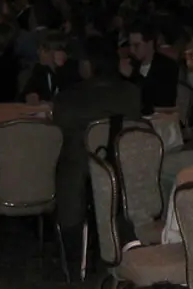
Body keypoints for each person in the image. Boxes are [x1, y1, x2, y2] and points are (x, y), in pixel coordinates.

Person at [50, 36, 142, 258]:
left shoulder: (69, 99)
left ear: (89, 64)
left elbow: (57, 131)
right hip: (122, 166)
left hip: (80, 173)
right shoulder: (131, 93)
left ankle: (70, 241)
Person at [122, 20, 179, 114]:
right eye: (130, 45)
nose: (132, 50)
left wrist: (133, 77)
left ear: (150, 43)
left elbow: (161, 102)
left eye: (136, 45)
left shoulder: (167, 66)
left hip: (159, 121)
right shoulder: (131, 64)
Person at [22, 32, 79, 103]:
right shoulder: (39, 70)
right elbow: (29, 92)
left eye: (44, 51)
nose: (38, 52)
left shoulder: (70, 71)